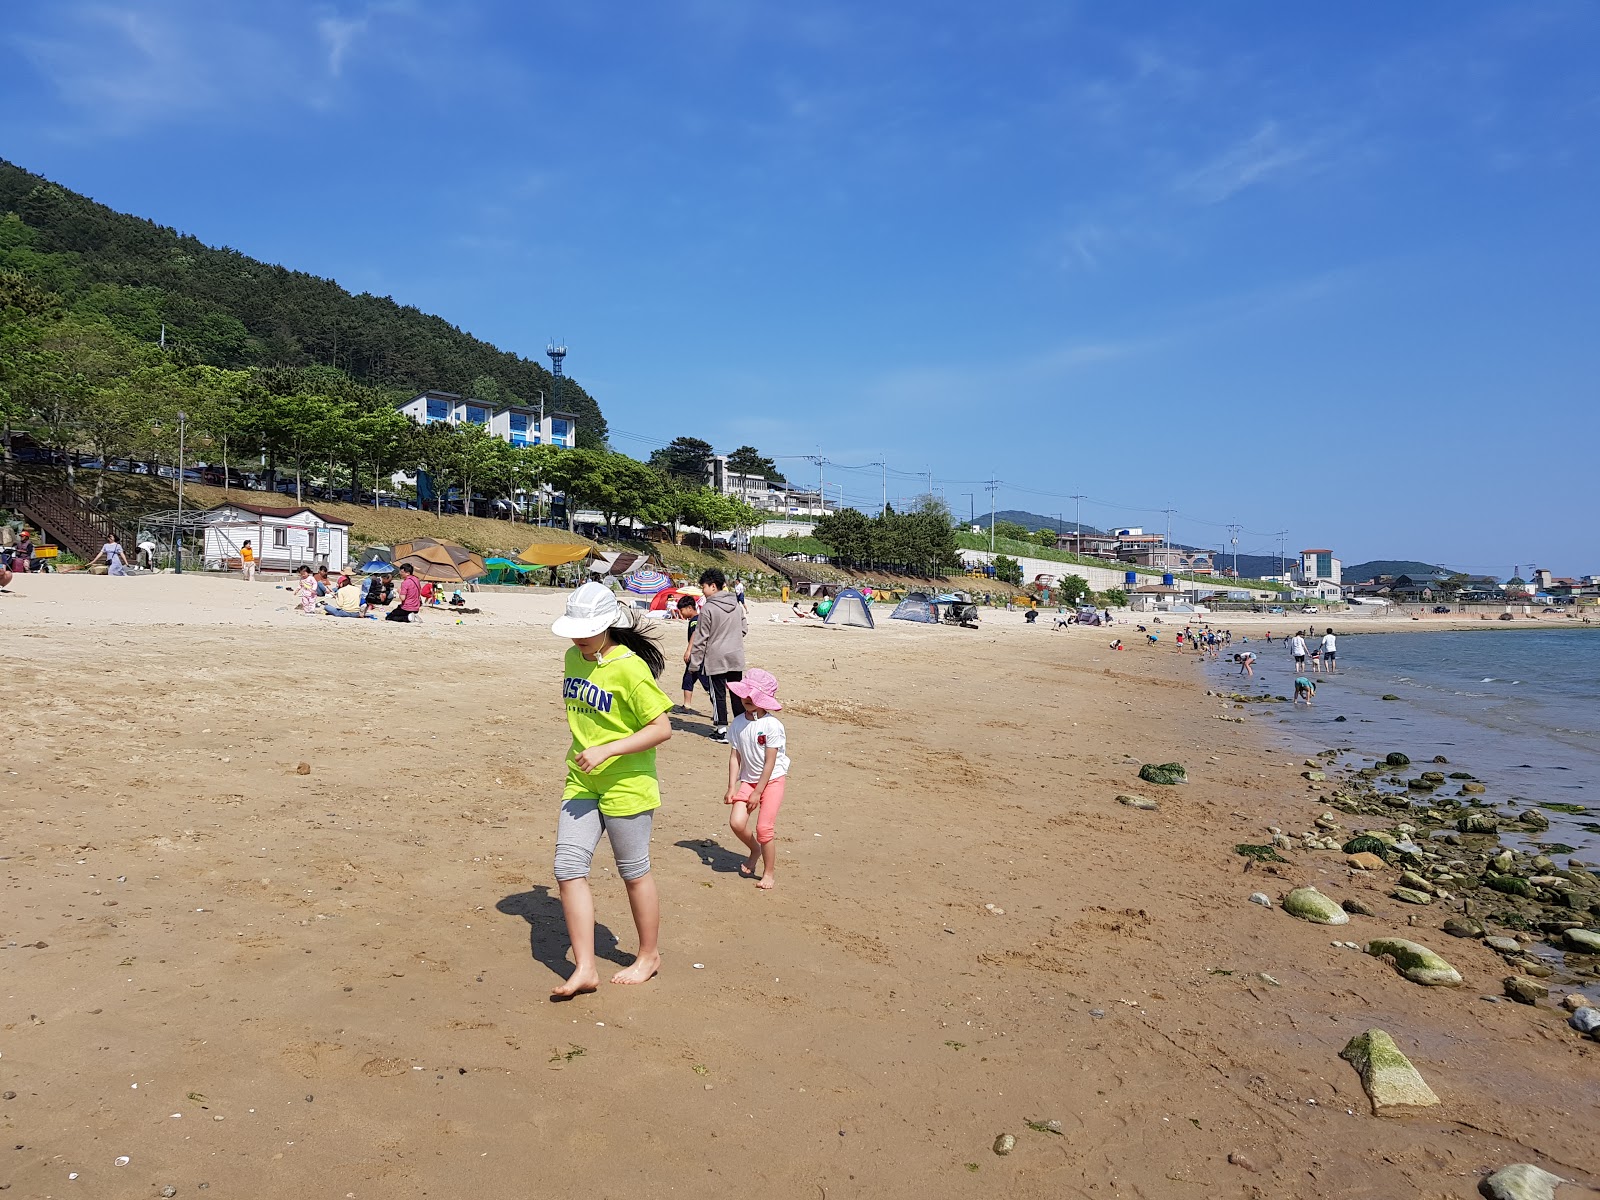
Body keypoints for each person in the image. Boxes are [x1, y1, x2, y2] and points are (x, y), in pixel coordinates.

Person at [549, 581, 673, 997]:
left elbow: (662, 728)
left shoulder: (630, 668)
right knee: (567, 869)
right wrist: (590, 751)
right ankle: (585, 968)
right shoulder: (572, 657)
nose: (579, 636)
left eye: (587, 628)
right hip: (581, 778)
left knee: (633, 873)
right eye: (574, 628)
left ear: (608, 625)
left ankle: (648, 956)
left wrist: (608, 750)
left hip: (628, 783)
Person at [724, 669, 789, 890]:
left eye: (753, 697)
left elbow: (770, 763)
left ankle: (768, 872)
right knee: (736, 822)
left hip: (771, 781)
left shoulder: (772, 726)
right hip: (748, 780)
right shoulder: (738, 723)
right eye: (745, 695)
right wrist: (732, 787)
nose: (747, 700)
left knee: (764, 829)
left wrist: (758, 792)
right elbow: (735, 756)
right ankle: (755, 849)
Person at [687, 567, 746, 742]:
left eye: (703, 587)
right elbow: (744, 628)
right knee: (737, 693)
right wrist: (731, 639)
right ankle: (741, 729)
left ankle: (721, 730)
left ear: (713, 586)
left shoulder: (708, 608)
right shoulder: (736, 604)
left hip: (716, 657)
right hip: (735, 655)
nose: (703, 591)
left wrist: (694, 664)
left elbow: (700, 638)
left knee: (718, 694)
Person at [675, 594, 710, 712]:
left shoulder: (695, 621)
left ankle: (718, 708)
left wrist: (688, 650)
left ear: (690, 608)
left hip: (697, 656)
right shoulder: (697, 619)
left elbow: (695, 635)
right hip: (697, 656)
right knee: (688, 679)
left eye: (682, 610)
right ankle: (687, 705)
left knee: (707, 683)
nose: (681, 613)